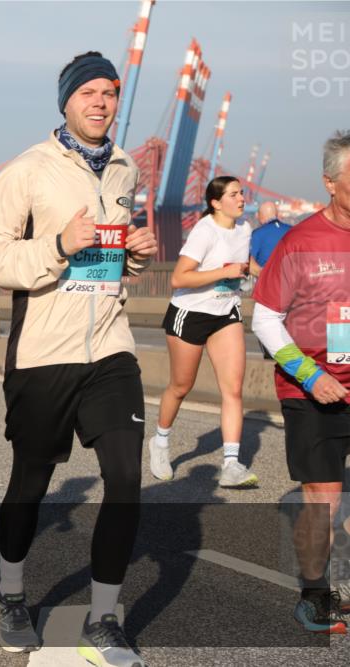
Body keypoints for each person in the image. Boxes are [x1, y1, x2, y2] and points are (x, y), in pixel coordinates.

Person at [0, 51, 158, 665]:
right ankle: (12, 590)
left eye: (109, 93)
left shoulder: (126, 170)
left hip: (110, 346)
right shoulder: (29, 170)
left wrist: (135, 253)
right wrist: (56, 244)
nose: (100, 103)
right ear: (66, 101)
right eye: (89, 94)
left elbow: (109, 264)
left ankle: (104, 617)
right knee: (32, 482)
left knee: (127, 478)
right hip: (43, 353)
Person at [252, 130, 350, 634]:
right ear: (330, 183)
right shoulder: (300, 243)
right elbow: (265, 319)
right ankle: (314, 595)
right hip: (314, 390)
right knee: (324, 496)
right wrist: (312, 376)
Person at [149, 176, 257, 487]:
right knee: (181, 386)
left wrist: (271, 274)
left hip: (226, 312)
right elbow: (179, 278)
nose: (242, 199)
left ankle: (231, 465)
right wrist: (224, 272)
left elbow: (245, 263)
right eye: (234, 194)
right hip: (191, 314)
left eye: (242, 193)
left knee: (233, 390)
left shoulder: (245, 229)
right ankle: (160, 441)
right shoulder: (204, 231)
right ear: (215, 202)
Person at [249, 200, 291, 277]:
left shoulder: (257, 234)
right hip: (291, 280)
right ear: (277, 214)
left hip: (268, 281)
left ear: (259, 216)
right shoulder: (293, 230)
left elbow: (250, 263)